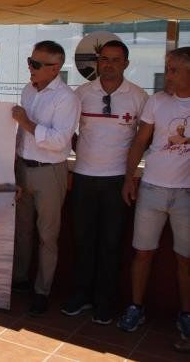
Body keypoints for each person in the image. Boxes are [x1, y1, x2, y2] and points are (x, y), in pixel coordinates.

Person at [61, 40, 147, 325]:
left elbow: (142, 140)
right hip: (84, 177)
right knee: (83, 240)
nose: (108, 64)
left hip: (117, 182)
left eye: (115, 59)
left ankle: (104, 302)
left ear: (126, 63)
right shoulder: (81, 93)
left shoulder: (138, 96)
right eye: (104, 59)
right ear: (98, 62)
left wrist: (130, 177)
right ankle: (81, 295)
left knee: (111, 244)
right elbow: (67, 133)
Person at [116, 47, 189, 348]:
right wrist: (129, 178)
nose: (167, 75)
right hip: (152, 189)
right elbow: (140, 141)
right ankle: (136, 307)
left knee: (186, 259)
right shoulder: (157, 102)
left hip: (186, 194)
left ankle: (186, 314)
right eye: (167, 68)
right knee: (142, 253)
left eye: (173, 70)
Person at [11, 40, 80, 316]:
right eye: (30, 61)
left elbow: (59, 140)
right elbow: (18, 135)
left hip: (50, 171)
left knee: (47, 236)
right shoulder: (29, 90)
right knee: (22, 230)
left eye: (37, 64)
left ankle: (43, 290)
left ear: (55, 68)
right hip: (23, 168)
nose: (31, 67)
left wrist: (25, 122)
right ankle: (21, 279)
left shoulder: (67, 98)